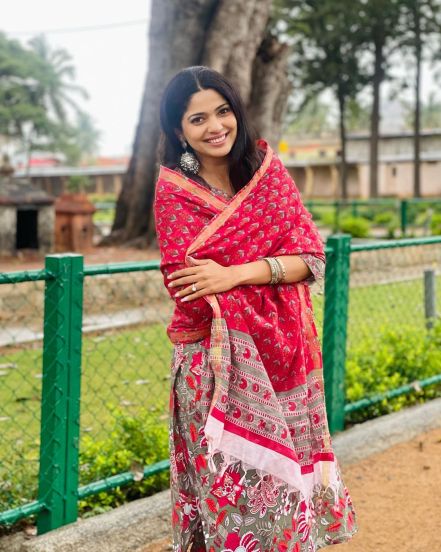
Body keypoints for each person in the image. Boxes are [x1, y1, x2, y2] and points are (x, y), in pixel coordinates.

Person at [154, 66, 357, 552]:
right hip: (217, 367)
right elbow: (189, 290)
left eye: (223, 111)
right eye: (197, 119)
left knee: (286, 506)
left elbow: (310, 259)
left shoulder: (269, 178)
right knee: (234, 505)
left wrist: (234, 274)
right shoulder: (175, 194)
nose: (215, 127)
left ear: (237, 112)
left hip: (283, 359)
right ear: (178, 132)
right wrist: (269, 269)